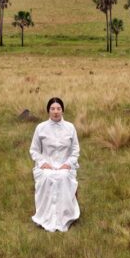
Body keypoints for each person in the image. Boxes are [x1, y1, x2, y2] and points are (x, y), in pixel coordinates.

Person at [29, 97, 80, 232]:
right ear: (48, 111)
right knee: (47, 177)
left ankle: (65, 216)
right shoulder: (40, 128)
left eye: (58, 108)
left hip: (65, 165)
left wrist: (68, 163)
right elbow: (34, 150)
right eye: (52, 109)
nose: (56, 112)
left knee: (63, 177)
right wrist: (42, 162)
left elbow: (75, 150)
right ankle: (46, 215)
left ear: (62, 110)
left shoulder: (70, 127)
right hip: (47, 165)